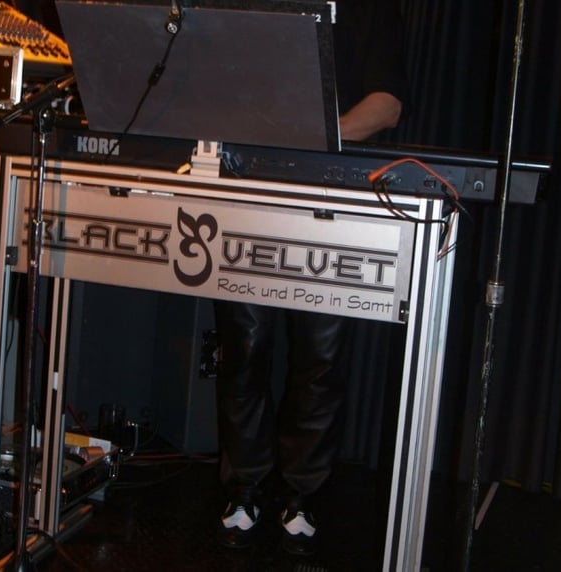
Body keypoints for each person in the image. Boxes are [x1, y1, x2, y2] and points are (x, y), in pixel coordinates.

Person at [214, 0, 407, 556]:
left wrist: (317, 137)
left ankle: (302, 494)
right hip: (253, 192)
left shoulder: (371, 13)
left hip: (332, 198)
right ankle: (245, 487)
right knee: (244, 346)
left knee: (319, 359)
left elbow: (387, 105)